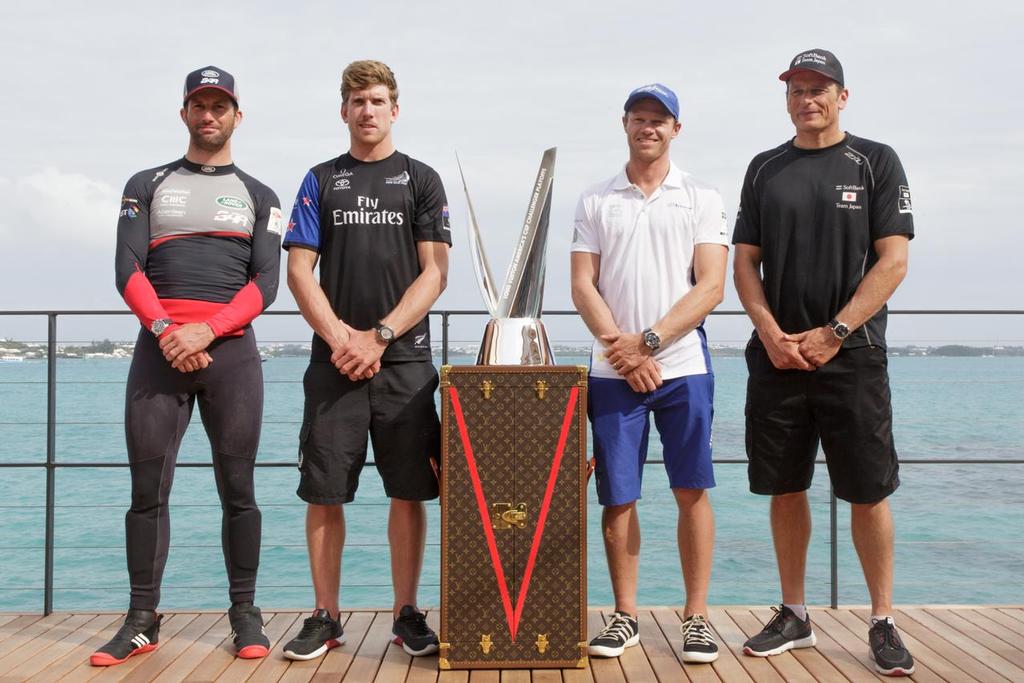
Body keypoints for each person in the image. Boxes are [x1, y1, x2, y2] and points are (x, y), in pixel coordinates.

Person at [733, 49, 916, 676]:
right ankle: (795, 613)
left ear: (842, 95)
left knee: (867, 491)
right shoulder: (764, 168)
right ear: (786, 98)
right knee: (785, 487)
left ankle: (883, 620)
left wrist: (836, 331)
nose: (806, 98)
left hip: (853, 355)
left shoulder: (876, 161)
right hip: (776, 356)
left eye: (819, 88)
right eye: (796, 89)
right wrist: (770, 331)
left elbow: (892, 261)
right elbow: (743, 263)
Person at [92, 66, 282, 666]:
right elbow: (128, 269)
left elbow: (266, 283)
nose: (209, 115)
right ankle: (141, 618)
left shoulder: (261, 196)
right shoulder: (146, 183)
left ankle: (245, 614)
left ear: (236, 115)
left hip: (230, 355)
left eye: (219, 105)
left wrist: (209, 329)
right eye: (198, 105)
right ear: (184, 114)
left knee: (240, 491)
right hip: (159, 352)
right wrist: (167, 330)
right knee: (147, 491)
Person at [281, 60, 451, 661]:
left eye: (378, 100)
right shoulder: (320, 179)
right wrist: (341, 340)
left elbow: (435, 274)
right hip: (334, 366)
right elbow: (299, 269)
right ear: (344, 110)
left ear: (394, 109)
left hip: (405, 363)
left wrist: (376, 338)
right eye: (357, 101)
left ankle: (406, 613)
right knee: (324, 492)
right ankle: (325, 615)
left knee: (410, 492)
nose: (368, 110)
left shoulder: (421, 179)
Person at [571, 83, 729, 664]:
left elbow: (711, 285)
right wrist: (622, 352)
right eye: (639, 118)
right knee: (618, 495)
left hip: (684, 366)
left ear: (675, 129)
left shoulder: (702, 197)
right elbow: (583, 284)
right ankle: (626, 616)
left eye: (659, 120)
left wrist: (651, 344)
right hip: (613, 373)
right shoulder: (594, 199)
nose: (649, 127)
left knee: (692, 489)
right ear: (625, 124)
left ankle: (697, 617)